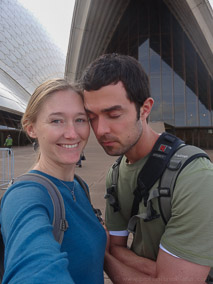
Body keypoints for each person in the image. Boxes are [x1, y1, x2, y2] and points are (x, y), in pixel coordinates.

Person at [80, 53, 213, 283]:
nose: (100, 130)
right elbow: (116, 247)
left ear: (145, 108)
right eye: (92, 117)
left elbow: (113, 250)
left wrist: (103, 256)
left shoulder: (194, 178)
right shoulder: (116, 173)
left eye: (113, 114)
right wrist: (156, 271)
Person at [0, 79, 106, 283]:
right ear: (31, 128)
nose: (72, 133)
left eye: (80, 120)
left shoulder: (79, 185)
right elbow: (33, 270)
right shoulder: (25, 195)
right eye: (57, 121)